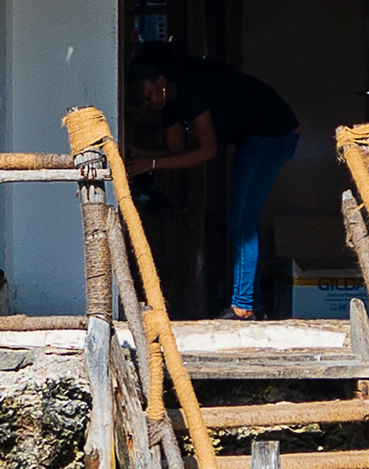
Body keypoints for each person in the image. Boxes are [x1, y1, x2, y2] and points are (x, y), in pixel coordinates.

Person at [127, 52, 304, 319]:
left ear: (161, 80)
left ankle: (242, 307)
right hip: (253, 138)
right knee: (243, 219)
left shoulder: (191, 89)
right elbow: (175, 148)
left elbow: (207, 151)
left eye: (147, 94)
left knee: (242, 220)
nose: (146, 103)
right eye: (140, 99)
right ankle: (248, 306)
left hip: (272, 133)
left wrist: (150, 163)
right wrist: (139, 153)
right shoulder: (169, 105)